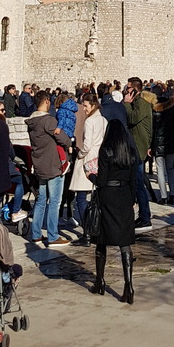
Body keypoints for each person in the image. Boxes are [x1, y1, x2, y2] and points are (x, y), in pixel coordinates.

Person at [89, 118, 138, 303]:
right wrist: (132, 199)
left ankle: (100, 280)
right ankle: (129, 285)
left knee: (101, 239)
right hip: (124, 194)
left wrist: (91, 176)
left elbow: (101, 181)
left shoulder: (106, 150)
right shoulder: (130, 152)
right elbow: (134, 180)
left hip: (108, 195)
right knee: (125, 242)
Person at [27, 90, 72, 246]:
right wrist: (69, 142)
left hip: (39, 164)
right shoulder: (49, 121)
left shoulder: (32, 123)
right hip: (53, 164)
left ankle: (36, 234)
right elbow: (62, 138)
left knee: (40, 200)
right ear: (46, 101)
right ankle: (53, 235)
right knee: (54, 201)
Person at [71, 92, 108, 236]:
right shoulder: (103, 120)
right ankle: (95, 227)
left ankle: (87, 230)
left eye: (85, 106)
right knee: (94, 196)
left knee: (80, 197)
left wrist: (80, 155)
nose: (84, 109)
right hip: (99, 159)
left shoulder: (90, 121)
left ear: (93, 105)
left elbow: (86, 145)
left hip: (88, 159)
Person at [124, 77, 153, 232]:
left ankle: (145, 217)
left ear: (135, 89)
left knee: (138, 183)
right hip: (137, 146)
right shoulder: (139, 103)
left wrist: (127, 104)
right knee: (136, 182)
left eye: (128, 88)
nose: (126, 91)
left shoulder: (141, 103)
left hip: (138, 147)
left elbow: (132, 118)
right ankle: (143, 214)